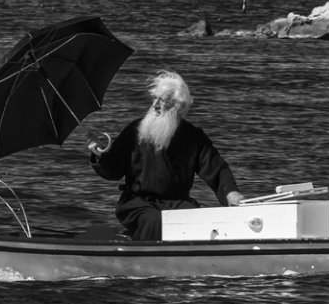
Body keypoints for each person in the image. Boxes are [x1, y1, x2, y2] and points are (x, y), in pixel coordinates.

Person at [88, 71, 245, 240]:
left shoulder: (193, 137)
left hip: (177, 203)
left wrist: (231, 193)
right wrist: (98, 153)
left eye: (161, 100)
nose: (154, 105)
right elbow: (114, 170)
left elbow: (217, 169)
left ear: (178, 106)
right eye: (154, 98)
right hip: (139, 203)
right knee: (156, 221)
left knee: (200, 221)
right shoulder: (135, 131)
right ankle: (147, 262)